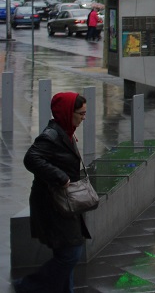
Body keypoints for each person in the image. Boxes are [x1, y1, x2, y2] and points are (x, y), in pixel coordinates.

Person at [16, 92, 92, 293]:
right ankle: (27, 286)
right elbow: (31, 158)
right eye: (81, 113)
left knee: (67, 251)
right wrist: (60, 177)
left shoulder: (65, 132)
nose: (84, 117)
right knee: (70, 253)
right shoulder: (51, 136)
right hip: (52, 204)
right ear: (67, 113)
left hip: (62, 203)